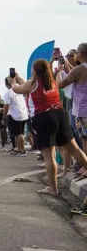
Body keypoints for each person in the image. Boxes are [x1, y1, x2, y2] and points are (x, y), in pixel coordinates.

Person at [12, 60, 87, 196]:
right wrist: (18, 78)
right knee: (74, 149)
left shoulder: (33, 84)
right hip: (60, 115)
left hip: (43, 118)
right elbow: (25, 84)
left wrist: (12, 82)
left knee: (49, 155)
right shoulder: (53, 81)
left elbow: (18, 89)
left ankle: (53, 188)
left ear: (34, 71)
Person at [58, 43, 87, 181]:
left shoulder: (81, 69)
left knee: (85, 140)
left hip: (83, 110)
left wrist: (58, 72)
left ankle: (85, 168)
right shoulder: (80, 69)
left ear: (80, 54)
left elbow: (61, 84)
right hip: (82, 109)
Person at [3, 77, 30, 156]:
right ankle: (19, 148)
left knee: (18, 134)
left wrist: (4, 117)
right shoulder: (19, 87)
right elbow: (23, 82)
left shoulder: (8, 93)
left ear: (6, 84)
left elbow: (6, 107)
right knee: (19, 133)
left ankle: (22, 150)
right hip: (24, 113)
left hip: (15, 115)